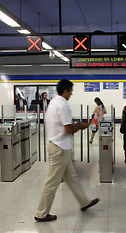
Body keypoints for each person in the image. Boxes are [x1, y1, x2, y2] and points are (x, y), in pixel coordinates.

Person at [34, 79, 99, 222]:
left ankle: (84, 202)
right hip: (60, 149)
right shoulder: (63, 105)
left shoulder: (53, 102)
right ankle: (41, 213)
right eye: (71, 90)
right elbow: (68, 129)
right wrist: (81, 125)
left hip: (58, 146)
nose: (72, 93)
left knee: (72, 178)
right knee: (52, 182)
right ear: (65, 90)